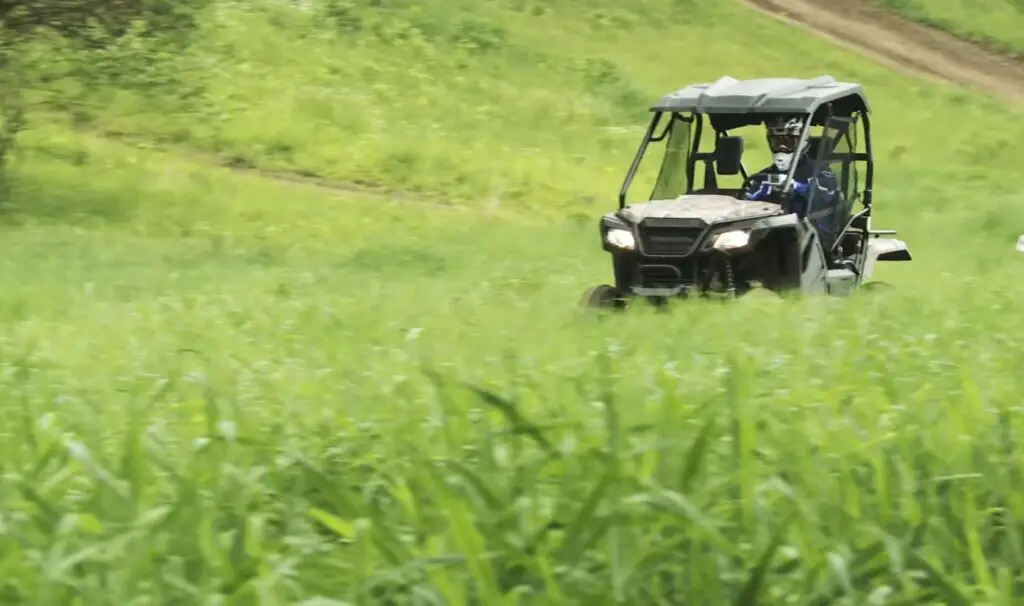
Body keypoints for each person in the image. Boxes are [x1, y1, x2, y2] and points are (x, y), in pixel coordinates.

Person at [741, 115, 844, 250]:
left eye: (788, 143)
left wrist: (798, 187)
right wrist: (756, 194)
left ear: (803, 143)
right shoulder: (762, 177)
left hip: (810, 239)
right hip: (767, 238)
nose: (781, 148)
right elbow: (744, 201)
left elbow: (825, 196)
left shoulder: (822, 173)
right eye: (777, 143)